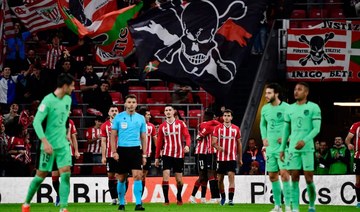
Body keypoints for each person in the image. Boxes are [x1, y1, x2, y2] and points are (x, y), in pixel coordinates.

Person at [22, 73, 75, 212]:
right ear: (64, 86)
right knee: (40, 176)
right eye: (72, 85)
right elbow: (36, 122)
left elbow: (62, 122)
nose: (74, 88)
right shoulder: (47, 101)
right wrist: (45, 142)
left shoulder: (68, 100)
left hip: (62, 145)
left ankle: (63, 208)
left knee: (66, 173)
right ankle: (26, 203)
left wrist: (65, 136)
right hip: (48, 145)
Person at [280, 82, 321, 212]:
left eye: (299, 89)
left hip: (307, 148)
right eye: (295, 89)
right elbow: (286, 131)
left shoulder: (314, 107)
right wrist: (282, 148)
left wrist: (305, 140)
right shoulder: (289, 109)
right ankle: (295, 209)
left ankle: (312, 205)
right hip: (293, 149)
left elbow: (316, 129)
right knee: (294, 177)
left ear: (306, 92)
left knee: (309, 178)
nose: (296, 92)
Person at [110, 94, 146, 211]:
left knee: (138, 176)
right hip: (122, 150)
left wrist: (144, 154)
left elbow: (144, 137)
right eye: (129, 102)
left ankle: (138, 204)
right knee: (121, 178)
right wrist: (114, 151)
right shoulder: (118, 117)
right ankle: (121, 203)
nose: (131, 104)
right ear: (125, 104)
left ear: (136, 104)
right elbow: (113, 136)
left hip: (135, 150)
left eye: (133, 102)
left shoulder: (141, 118)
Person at [259, 82, 291, 212]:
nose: (266, 95)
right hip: (270, 148)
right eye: (266, 93)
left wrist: (288, 137)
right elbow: (262, 125)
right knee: (272, 176)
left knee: (284, 174)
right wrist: (264, 137)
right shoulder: (265, 109)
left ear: (276, 94)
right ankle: (277, 206)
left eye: (269, 93)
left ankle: (288, 206)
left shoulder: (287, 107)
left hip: (283, 148)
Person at [155, 104, 191, 205]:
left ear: (174, 111)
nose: (168, 112)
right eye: (166, 110)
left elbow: (187, 136)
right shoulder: (162, 126)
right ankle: (166, 200)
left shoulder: (181, 124)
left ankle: (179, 196)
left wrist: (187, 145)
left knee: (179, 180)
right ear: (164, 112)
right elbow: (159, 143)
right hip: (167, 154)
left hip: (179, 155)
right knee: (165, 176)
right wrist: (157, 157)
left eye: (169, 110)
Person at [212, 109, 242, 206]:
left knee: (231, 177)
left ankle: (231, 200)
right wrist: (218, 147)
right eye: (225, 115)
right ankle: (223, 197)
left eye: (228, 115)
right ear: (222, 117)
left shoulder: (236, 129)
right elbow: (213, 142)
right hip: (220, 159)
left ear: (231, 117)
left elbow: (239, 144)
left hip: (232, 158)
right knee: (220, 180)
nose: (227, 117)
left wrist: (240, 158)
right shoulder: (218, 128)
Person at [189, 110, 221, 204]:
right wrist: (215, 121)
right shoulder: (202, 125)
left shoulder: (214, 125)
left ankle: (203, 198)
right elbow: (208, 129)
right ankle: (193, 196)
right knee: (203, 175)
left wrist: (215, 122)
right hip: (201, 152)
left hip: (210, 152)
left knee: (210, 175)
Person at [101, 105, 119, 205]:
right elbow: (103, 141)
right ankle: (114, 198)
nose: (114, 112)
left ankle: (121, 197)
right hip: (109, 155)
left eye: (116, 110)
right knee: (110, 176)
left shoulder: (123, 124)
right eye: (112, 110)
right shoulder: (105, 125)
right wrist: (103, 156)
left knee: (121, 176)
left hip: (121, 154)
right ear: (109, 113)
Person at [138, 107, 157, 197]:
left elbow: (155, 139)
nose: (149, 116)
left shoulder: (151, 126)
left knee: (143, 175)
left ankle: (139, 197)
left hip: (148, 154)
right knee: (138, 174)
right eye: (148, 115)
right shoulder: (136, 125)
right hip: (137, 153)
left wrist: (159, 149)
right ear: (143, 116)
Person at [345, 121, 360, 208]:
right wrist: (348, 144)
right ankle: (359, 201)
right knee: (358, 181)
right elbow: (348, 138)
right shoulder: (356, 125)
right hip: (358, 157)